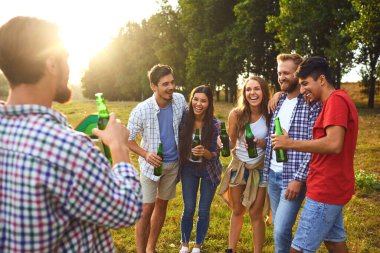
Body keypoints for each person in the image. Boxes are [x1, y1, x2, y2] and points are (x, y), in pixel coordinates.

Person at [0, 16, 142, 253]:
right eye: (66, 57)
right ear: (52, 63)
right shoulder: (68, 148)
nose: (69, 67)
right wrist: (118, 146)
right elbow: (127, 211)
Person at [272, 57, 358, 253]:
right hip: (329, 185)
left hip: (326, 188)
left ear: (321, 80)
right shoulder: (331, 101)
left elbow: (334, 143)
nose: (302, 90)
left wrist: (289, 143)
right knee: (334, 243)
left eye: (305, 84)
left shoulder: (335, 101)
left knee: (299, 249)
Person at [262, 53, 322, 253]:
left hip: (293, 178)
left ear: (298, 74)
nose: (282, 77)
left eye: (287, 73)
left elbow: (313, 144)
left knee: (280, 229)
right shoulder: (278, 101)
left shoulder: (310, 103)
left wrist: (299, 179)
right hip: (273, 174)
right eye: (279, 73)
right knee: (280, 230)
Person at [127, 64, 187, 253]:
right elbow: (127, 139)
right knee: (146, 211)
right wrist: (146, 154)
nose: (171, 87)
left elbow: (193, 119)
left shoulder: (179, 100)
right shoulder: (141, 110)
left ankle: (151, 248)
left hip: (172, 164)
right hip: (149, 167)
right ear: (154, 86)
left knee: (162, 205)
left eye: (172, 82)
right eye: (165, 84)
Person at [219, 76, 271, 253]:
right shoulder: (236, 114)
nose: (252, 93)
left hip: (260, 169)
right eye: (248, 89)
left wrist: (261, 143)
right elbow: (232, 143)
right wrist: (223, 143)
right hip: (239, 167)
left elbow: (273, 140)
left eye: (256, 89)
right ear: (244, 93)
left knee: (256, 214)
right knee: (237, 210)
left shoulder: (270, 113)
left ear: (263, 91)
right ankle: (230, 249)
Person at [178, 85, 223, 253]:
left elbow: (217, 154)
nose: (198, 103)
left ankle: (197, 245)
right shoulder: (184, 120)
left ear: (209, 103)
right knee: (189, 208)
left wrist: (205, 152)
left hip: (208, 169)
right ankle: (184, 244)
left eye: (203, 100)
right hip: (189, 168)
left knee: (203, 210)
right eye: (195, 99)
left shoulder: (215, 124)